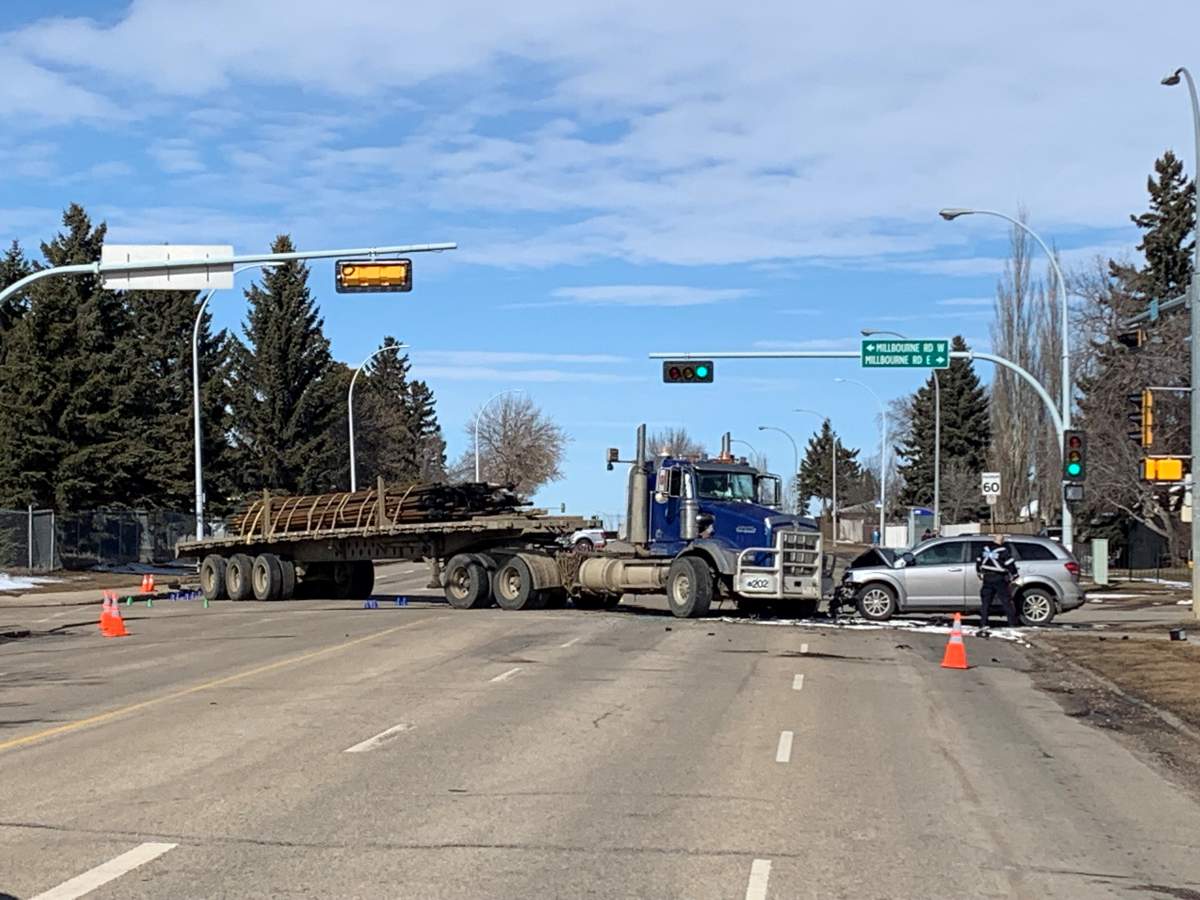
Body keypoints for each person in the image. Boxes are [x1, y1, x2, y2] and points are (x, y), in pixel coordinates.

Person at [974, 532, 1020, 635]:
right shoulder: (1003, 550)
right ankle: (1012, 624)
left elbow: (978, 561)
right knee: (1006, 601)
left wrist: (979, 572)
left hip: (987, 578)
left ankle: (983, 623)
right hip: (999, 578)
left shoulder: (985, 549)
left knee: (985, 603)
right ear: (1002, 541)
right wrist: (1015, 574)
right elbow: (1009, 564)